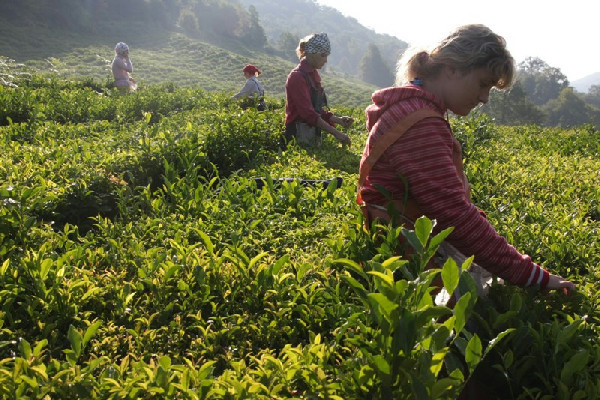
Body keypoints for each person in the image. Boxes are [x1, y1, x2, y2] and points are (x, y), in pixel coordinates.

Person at [357, 24, 575, 295]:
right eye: (483, 84)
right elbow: (453, 214)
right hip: (409, 252)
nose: (484, 98)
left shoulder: (412, 108)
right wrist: (532, 276)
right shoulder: (420, 123)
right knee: (488, 299)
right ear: (452, 68)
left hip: (405, 236)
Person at [284, 33, 353, 146]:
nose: (325, 60)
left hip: (310, 132)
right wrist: (336, 133)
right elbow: (308, 114)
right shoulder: (297, 77)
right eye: (323, 55)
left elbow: (316, 109)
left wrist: (338, 120)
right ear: (311, 53)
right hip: (297, 133)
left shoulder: (313, 75)